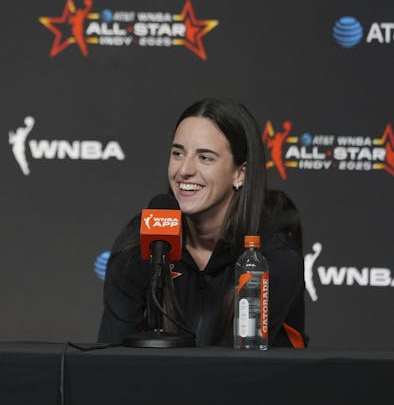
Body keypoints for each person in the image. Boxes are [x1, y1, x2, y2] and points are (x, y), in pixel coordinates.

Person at [98, 98, 307, 348]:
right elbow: (111, 357)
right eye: (178, 153)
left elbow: (239, 369)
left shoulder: (272, 254)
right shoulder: (140, 244)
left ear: (240, 173)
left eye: (205, 158)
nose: (184, 169)